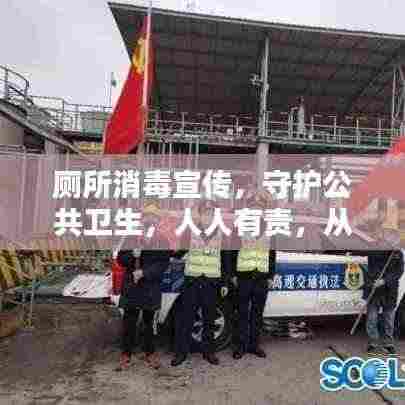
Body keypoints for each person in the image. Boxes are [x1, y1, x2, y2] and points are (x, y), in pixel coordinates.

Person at [171, 201, 231, 367]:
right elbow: (180, 251)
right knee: (186, 319)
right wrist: (169, 253)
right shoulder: (190, 231)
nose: (208, 215)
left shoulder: (221, 233)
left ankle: (209, 352)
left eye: (211, 212)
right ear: (200, 214)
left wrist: (225, 282)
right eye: (205, 212)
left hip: (211, 282)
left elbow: (225, 259)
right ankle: (181, 353)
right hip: (192, 281)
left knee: (209, 319)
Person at [117, 202, 171, 370]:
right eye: (147, 216)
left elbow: (163, 264)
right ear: (142, 218)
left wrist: (144, 273)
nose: (150, 219)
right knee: (129, 323)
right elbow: (120, 259)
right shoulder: (131, 237)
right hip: (132, 287)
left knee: (149, 324)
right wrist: (132, 255)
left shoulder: (162, 240)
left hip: (150, 288)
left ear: (158, 220)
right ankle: (126, 354)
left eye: (154, 217)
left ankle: (149, 353)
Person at [232, 191, 276, 359]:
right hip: (243, 277)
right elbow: (231, 251)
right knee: (242, 313)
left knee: (257, 314)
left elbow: (272, 253)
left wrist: (271, 275)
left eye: (259, 207)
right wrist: (232, 275)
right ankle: (241, 346)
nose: (256, 210)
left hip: (261, 279)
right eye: (253, 207)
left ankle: (254, 345)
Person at [364, 250, 404, 355]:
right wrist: (375, 280)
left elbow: (399, 272)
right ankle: (373, 343)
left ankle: (388, 343)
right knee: (372, 318)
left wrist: (384, 281)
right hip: (375, 289)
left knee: (389, 319)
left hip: (390, 291)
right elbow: (371, 268)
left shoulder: (397, 253)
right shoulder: (373, 251)